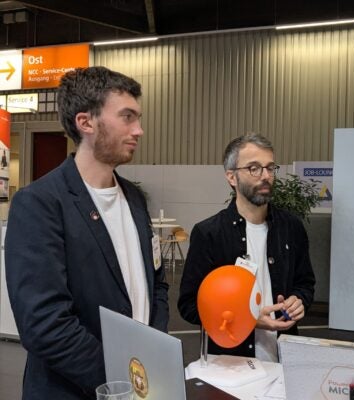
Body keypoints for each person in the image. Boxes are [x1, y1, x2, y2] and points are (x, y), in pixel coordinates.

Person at [5, 66, 169, 399]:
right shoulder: (40, 203)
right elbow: (44, 324)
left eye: (138, 118)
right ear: (86, 122)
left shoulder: (134, 198)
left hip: (138, 384)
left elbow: (157, 284)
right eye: (127, 117)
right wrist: (121, 378)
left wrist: (149, 358)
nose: (139, 130)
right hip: (77, 389)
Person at [178, 133, 315, 361]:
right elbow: (189, 305)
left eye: (270, 168)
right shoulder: (209, 234)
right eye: (254, 168)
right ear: (232, 177)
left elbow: (305, 284)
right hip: (231, 363)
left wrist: (299, 301)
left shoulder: (291, 228)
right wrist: (247, 318)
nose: (266, 176)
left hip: (284, 360)